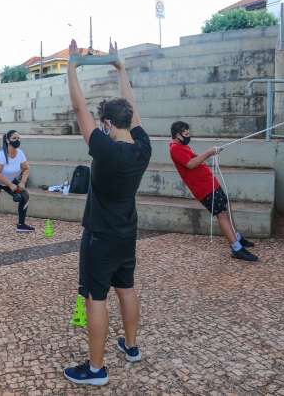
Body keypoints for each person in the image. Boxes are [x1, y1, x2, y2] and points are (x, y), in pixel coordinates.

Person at [63, 40, 151, 386]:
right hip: (127, 232)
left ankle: (96, 369)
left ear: (108, 124)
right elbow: (134, 110)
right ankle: (131, 347)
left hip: (100, 235)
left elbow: (78, 107)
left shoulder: (104, 148)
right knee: (126, 288)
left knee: (95, 296)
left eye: (103, 123)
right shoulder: (143, 147)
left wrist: (72, 66)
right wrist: (121, 69)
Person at [169, 121, 257, 261]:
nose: (188, 135)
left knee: (226, 208)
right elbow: (190, 164)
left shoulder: (182, 146)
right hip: (204, 189)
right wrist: (209, 152)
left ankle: (237, 238)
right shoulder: (175, 148)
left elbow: (194, 160)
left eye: (188, 133)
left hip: (210, 184)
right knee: (221, 214)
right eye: (186, 134)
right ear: (177, 134)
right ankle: (236, 248)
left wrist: (211, 153)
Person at [0, 130, 34, 241]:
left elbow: (26, 169)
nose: (17, 140)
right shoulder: (1, 154)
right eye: (14, 138)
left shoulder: (20, 153)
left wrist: (22, 182)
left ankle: (21, 225)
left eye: (19, 138)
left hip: (8, 180)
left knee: (25, 196)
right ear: (7, 140)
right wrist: (10, 185)